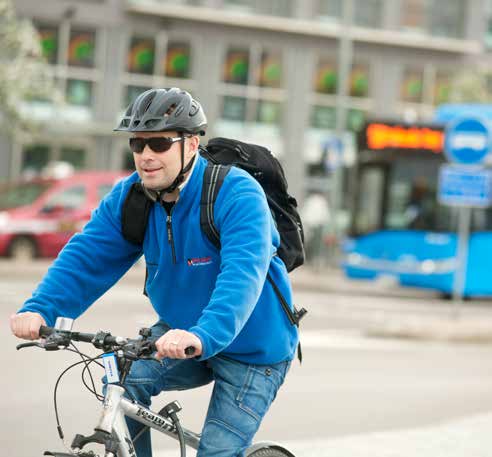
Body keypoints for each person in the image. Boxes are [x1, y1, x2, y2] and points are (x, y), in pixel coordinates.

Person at [10, 88, 298, 457]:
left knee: (217, 452)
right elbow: (87, 256)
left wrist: (204, 335)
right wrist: (41, 308)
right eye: (138, 144)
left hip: (254, 348)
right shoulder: (132, 198)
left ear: (191, 144)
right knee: (121, 380)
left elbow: (242, 276)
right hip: (180, 334)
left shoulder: (236, 193)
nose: (146, 156)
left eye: (160, 143)